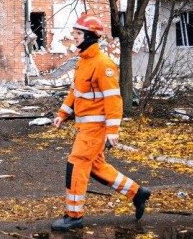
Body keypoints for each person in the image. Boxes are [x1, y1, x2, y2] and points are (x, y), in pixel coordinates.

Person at [51, 15, 151, 231]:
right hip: (85, 128)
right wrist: (63, 113)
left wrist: (113, 130)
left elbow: (113, 98)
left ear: (89, 36)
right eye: (74, 33)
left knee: (77, 164)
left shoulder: (103, 64)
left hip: (96, 129)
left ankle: (74, 215)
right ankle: (137, 193)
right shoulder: (83, 61)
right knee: (96, 167)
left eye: (78, 34)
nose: (74, 37)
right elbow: (75, 91)